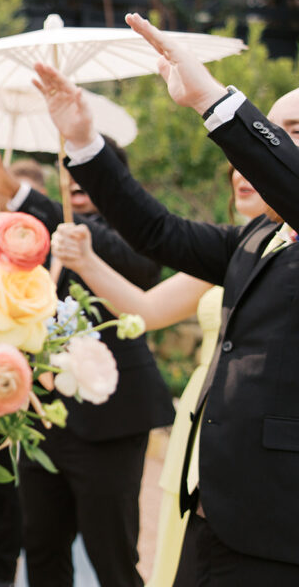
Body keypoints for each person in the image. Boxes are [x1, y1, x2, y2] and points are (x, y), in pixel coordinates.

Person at [33, 12, 299, 585]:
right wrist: (83, 141)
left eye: (291, 131)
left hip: (282, 523)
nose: (273, 143)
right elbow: (158, 233)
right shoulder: (256, 236)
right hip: (214, 508)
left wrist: (211, 99)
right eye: (271, 128)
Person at [49, 163, 268, 587]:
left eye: (254, 167)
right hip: (200, 417)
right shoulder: (231, 248)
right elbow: (145, 311)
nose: (243, 176)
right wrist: (86, 261)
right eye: (236, 169)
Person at [0, 134, 173, 587]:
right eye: (69, 174)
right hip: (43, 415)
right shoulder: (36, 232)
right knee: (41, 549)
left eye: (87, 173)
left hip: (113, 420)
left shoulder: (135, 230)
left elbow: (140, 269)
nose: (76, 182)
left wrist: (33, 200)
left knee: (112, 555)